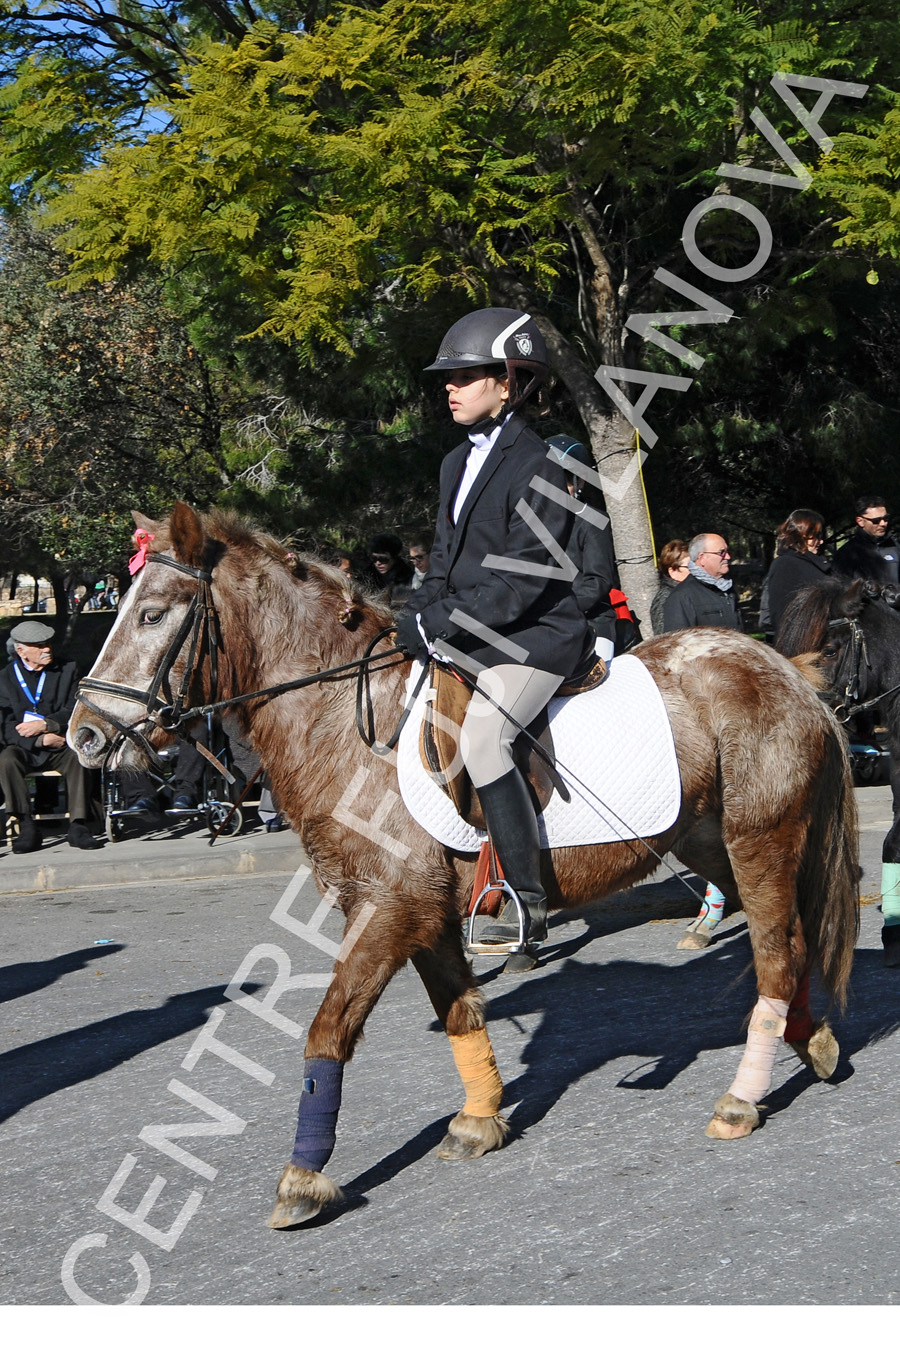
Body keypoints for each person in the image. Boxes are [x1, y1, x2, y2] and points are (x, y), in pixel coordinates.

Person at [395, 307, 593, 954]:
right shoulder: (456, 461)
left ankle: (525, 903)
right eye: (446, 378)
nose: (448, 387)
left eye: (465, 375)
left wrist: (440, 621)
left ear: (508, 383)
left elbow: (524, 580)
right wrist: (417, 612)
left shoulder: (537, 462)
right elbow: (444, 559)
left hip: (536, 633)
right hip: (473, 629)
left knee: (482, 738)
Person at [0, 620, 102, 852]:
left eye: (47, 643)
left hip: (61, 741)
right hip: (25, 747)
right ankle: (26, 825)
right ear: (21, 650)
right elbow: (5, 725)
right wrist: (37, 739)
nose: (47, 649)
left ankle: (78, 825)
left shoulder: (68, 668)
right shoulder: (4, 679)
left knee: (79, 756)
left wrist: (49, 725)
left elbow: (76, 706)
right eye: (39, 645)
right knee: (6, 759)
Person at [546, 433, 617, 663]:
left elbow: (598, 580)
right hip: (544, 626)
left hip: (590, 623)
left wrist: (560, 609)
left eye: (563, 480)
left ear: (580, 482)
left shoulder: (593, 521)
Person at [761, 509, 831, 642]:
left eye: (821, 536)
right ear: (800, 535)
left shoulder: (816, 562)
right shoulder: (785, 565)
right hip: (802, 645)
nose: (820, 542)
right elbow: (781, 615)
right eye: (815, 536)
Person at [662, 533, 743, 632]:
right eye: (721, 552)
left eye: (727, 551)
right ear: (702, 558)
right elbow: (676, 643)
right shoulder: (681, 596)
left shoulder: (728, 589)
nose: (728, 557)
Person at [834, 496, 900, 586]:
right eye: (876, 521)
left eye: (886, 518)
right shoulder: (846, 554)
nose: (883, 524)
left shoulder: (895, 547)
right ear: (860, 521)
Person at [650, 540, 689, 636]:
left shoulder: (690, 592)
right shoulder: (666, 598)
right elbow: (663, 636)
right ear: (673, 571)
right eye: (690, 567)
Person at [368, 533, 414, 606]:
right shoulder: (368, 575)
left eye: (383, 559)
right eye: (374, 558)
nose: (378, 563)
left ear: (394, 558)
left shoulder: (406, 580)